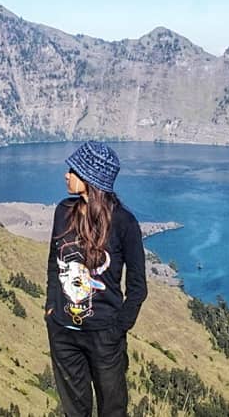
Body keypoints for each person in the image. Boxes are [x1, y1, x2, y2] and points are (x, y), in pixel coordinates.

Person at [45, 141, 147, 417]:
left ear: (90, 178)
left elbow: (138, 288)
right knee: (74, 412)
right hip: (63, 332)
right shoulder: (63, 211)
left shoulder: (125, 223)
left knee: (112, 410)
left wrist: (116, 331)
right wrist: (51, 310)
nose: (66, 175)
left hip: (105, 336)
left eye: (73, 170)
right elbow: (54, 266)